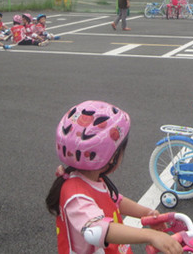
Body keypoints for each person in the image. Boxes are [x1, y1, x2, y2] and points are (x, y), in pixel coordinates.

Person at [46, 101, 182, 254]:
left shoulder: (91, 179)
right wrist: (150, 236)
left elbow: (115, 200)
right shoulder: (75, 194)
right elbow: (95, 230)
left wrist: (146, 213)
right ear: (111, 156)